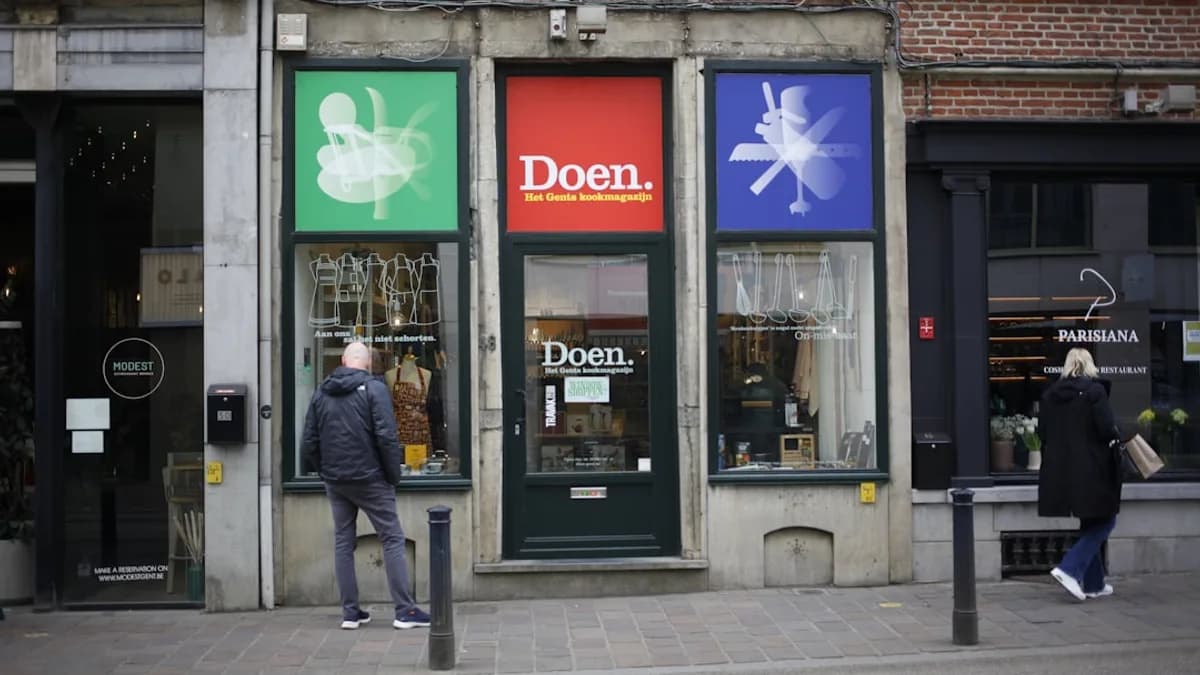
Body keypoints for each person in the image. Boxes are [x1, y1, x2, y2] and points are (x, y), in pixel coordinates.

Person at [301, 341, 431, 630]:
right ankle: (405, 611)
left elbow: (309, 440)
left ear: (344, 362)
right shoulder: (374, 389)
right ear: (368, 364)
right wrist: (392, 475)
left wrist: (324, 471)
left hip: (336, 480)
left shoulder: (321, 391)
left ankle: (350, 613)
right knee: (393, 537)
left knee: (343, 541)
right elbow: (386, 436)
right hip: (370, 477)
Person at [1038, 348, 1122, 601]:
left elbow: (1043, 431)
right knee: (1106, 520)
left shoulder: (1051, 395)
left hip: (1061, 470)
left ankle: (1094, 584)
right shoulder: (1095, 393)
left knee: (1091, 522)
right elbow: (1107, 429)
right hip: (1092, 467)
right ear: (1089, 365)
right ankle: (1069, 569)